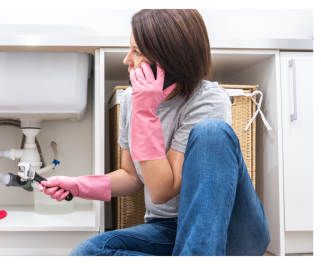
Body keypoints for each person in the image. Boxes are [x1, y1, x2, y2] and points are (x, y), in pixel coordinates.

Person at [37, 9, 270, 256]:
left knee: (212, 132)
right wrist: (78, 185)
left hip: (229, 227)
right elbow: (130, 176)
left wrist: (145, 114)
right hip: (170, 230)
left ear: (167, 61)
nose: (127, 60)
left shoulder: (208, 100)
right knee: (88, 252)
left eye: (136, 51)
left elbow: (161, 190)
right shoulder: (130, 100)